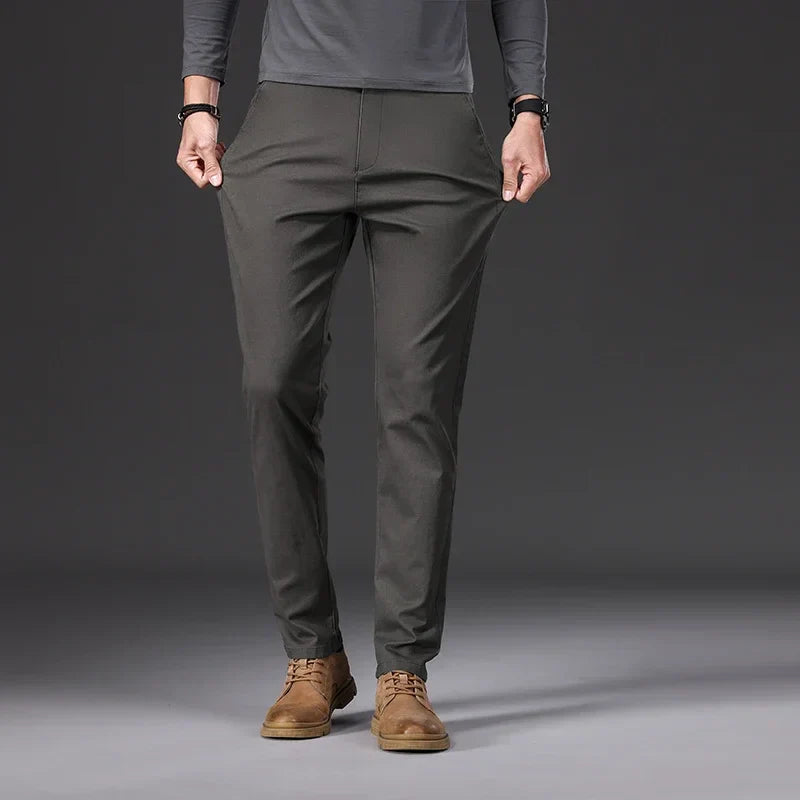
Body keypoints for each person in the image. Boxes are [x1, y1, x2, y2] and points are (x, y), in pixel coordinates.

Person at [176, 0, 549, 752]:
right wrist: (199, 101)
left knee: (419, 398)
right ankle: (311, 653)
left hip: (433, 124)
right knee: (273, 381)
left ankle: (403, 670)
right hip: (292, 116)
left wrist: (529, 108)